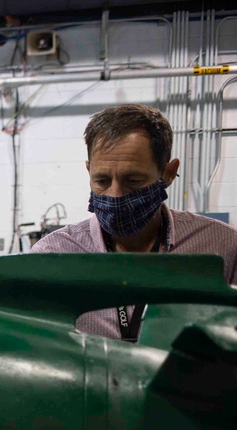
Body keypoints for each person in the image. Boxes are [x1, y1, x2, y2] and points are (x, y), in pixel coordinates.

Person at [31, 103, 237, 339]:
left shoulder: (224, 248)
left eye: (133, 180)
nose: (115, 195)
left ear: (168, 173)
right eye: (102, 180)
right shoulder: (52, 256)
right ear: (88, 172)